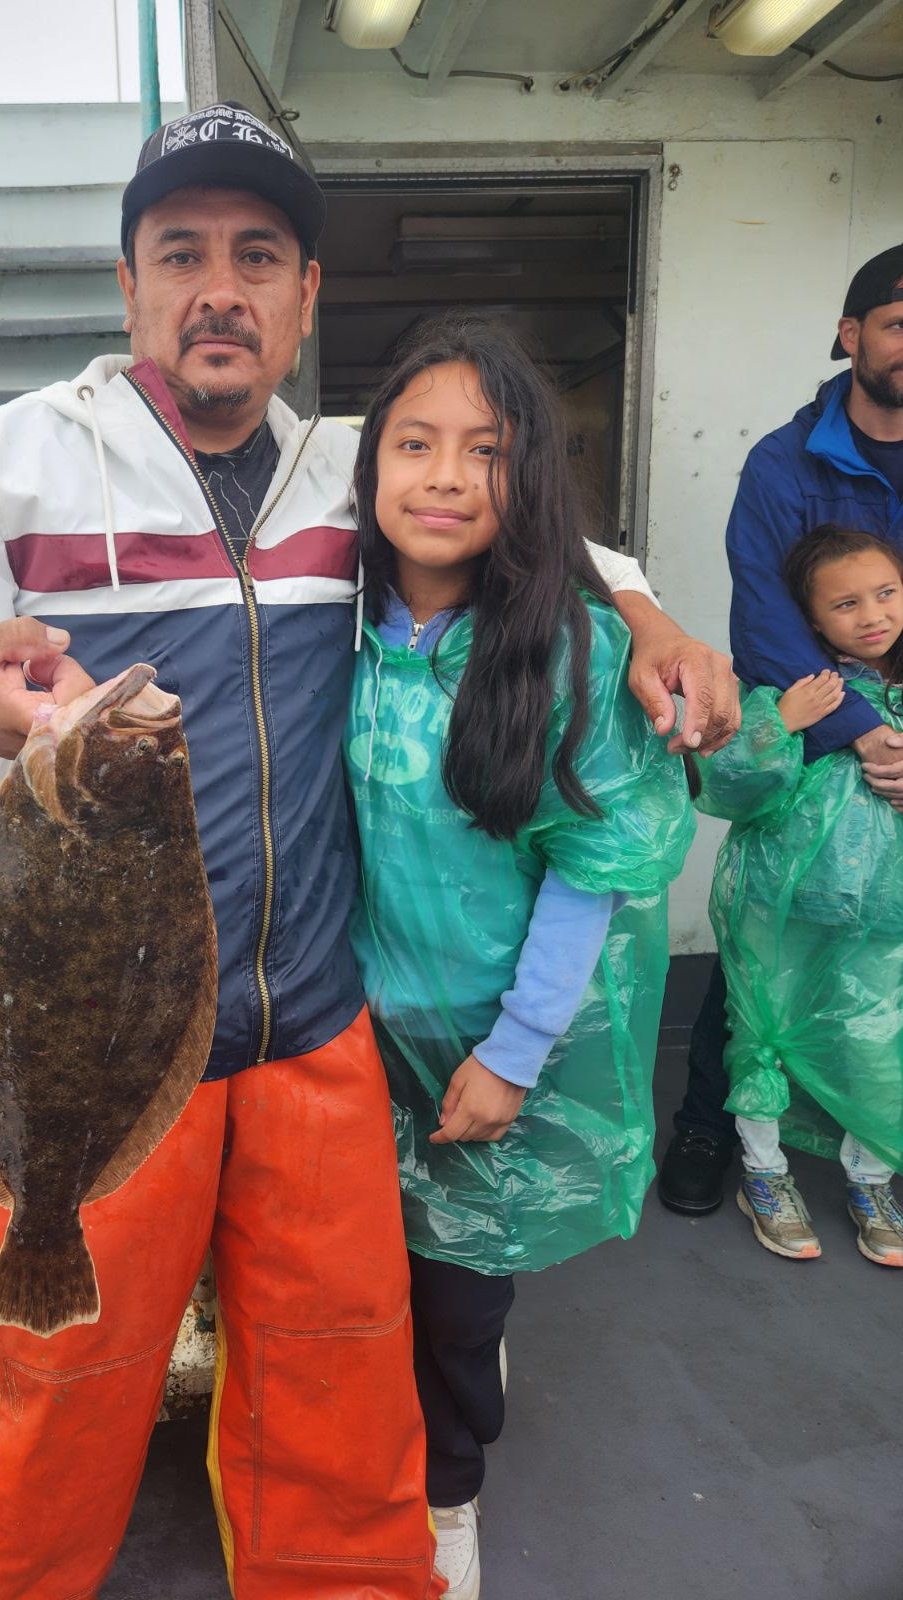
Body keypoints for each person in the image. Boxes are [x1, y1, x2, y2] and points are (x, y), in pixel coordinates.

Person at [0, 103, 736, 1600]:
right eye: (181, 252)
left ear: (309, 297)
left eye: (259, 255)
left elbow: (534, 527)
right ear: (129, 285)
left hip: (317, 1029)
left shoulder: (358, 469)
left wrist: (644, 616)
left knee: (337, 1385)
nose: (219, 288)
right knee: (50, 1392)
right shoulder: (0, 468)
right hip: (105, 1054)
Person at [343, 317, 697, 1600]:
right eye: (415, 444)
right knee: (373, 1274)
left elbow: (595, 871)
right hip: (364, 1028)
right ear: (368, 460)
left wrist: (511, 1054)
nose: (442, 477)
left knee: (454, 1301)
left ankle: (450, 1494)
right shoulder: (334, 628)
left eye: (484, 453)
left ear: (527, 477)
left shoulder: (571, 652)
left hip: (509, 1036)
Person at [659, 242, 903, 1219]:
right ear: (852, 337)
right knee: (763, 959)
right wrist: (860, 729)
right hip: (815, 760)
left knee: (885, 975)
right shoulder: (784, 464)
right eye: (897, 324)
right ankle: (710, 1128)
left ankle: (870, 1147)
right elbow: (763, 615)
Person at [697, 525, 903, 1265]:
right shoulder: (792, 689)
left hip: (884, 913)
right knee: (763, 1038)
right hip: (778, 908)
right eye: (846, 603)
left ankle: (871, 1179)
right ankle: (764, 1173)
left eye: (886, 593)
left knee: (879, 1043)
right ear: (810, 621)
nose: (872, 614)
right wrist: (780, 724)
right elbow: (725, 789)